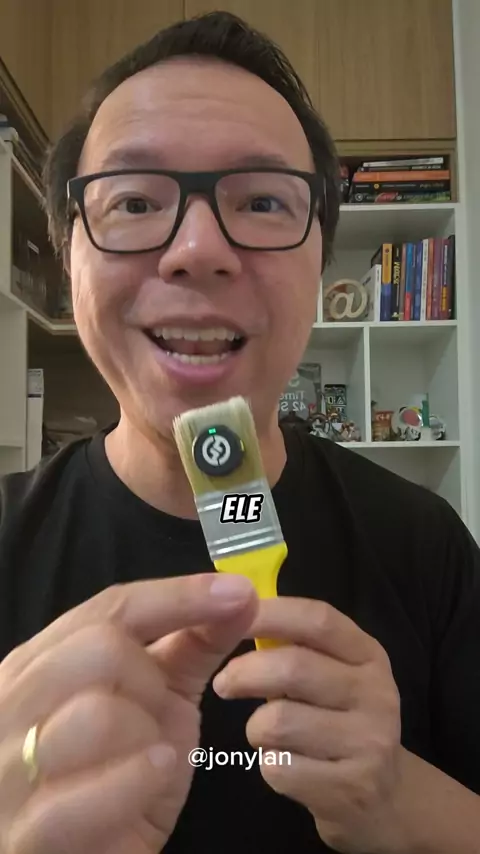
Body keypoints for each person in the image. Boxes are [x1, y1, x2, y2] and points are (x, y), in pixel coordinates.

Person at [1, 10, 479, 854]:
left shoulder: (426, 546)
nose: (197, 249)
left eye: (261, 201)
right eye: (134, 200)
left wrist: (399, 801)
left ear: (321, 260)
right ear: (68, 255)